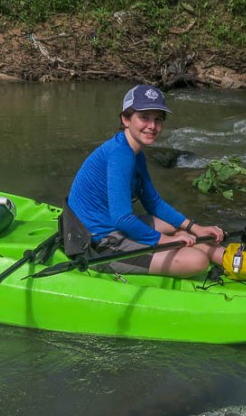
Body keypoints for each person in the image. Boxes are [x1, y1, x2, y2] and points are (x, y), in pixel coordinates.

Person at [66, 84, 225, 277]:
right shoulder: (120, 155)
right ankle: (222, 257)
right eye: (144, 117)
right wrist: (163, 241)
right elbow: (123, 218)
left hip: (112, 225)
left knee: (171, 224)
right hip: (97, 242)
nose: (152, 126)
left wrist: (194, 227)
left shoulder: (134, 152)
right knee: (197, 261)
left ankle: (226, 257)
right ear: (125, 119)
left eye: (158, 119)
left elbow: (153, 202)